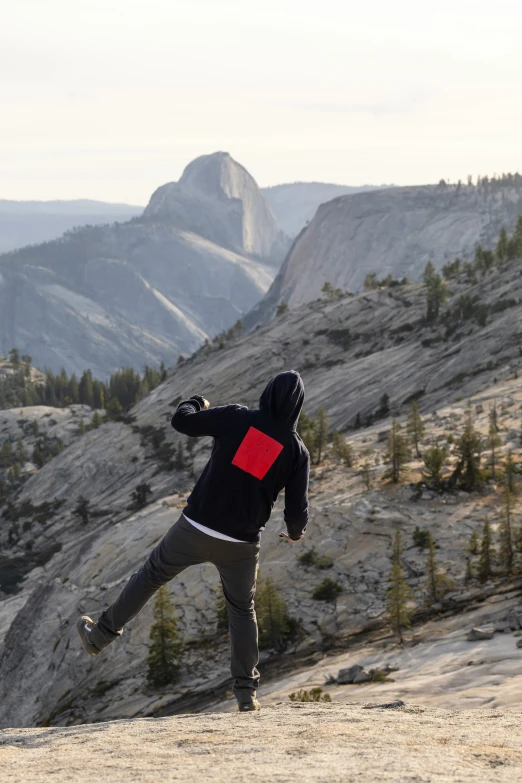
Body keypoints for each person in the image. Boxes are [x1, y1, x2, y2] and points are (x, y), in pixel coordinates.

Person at [77, 370, 310, 712]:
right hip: (241, 544)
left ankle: (98, 637)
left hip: (196, 527)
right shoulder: (295, 451)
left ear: (267, 392)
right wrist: (293, 534)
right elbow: (296, 510)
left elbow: (182, 422)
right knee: (242, 611)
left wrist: (195, 402)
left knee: (149, 577)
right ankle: (246, 695)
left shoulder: (237, 418)